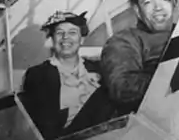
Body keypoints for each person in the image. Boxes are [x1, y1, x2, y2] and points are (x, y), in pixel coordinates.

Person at [22, 11, 115, 140]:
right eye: (60, 33)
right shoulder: (38, 74)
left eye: (72, 32)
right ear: (52, 39)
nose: (66, 37)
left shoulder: (99, 68)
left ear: (81, 39)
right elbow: (44, 124)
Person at [101, 0, 177, 116]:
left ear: (174, 2)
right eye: (148, 2)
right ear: (138, 11)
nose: (158, 7)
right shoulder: (125, 40)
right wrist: (176, 79)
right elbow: (123, 87)